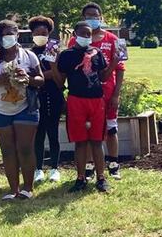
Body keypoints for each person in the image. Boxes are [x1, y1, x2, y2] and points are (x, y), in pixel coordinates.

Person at [0, 20, 44, 200]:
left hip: (26, 108)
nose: (8, 37)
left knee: (25, 148)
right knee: (7, 150)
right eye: (4, 35)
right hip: (0, 109)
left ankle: (27, 188)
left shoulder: (28, 56)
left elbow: (40, 80)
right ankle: (12, 189)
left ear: (17, 35)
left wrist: (28, 78)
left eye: (11, 34)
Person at [52, 21, 119, 193]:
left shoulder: (97, 53)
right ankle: (80, 177)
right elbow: (60, 81)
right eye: (82, 34)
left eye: (88, 34)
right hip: (76, 100)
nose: (86, 37)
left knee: (97, 141)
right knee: (80, 142)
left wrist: (113, 63)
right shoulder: (67, 55)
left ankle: (101, 178)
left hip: (96, 101)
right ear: (75, 35)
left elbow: (103, 77)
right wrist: (53, 65)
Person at [68, 3, 126, 180]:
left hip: (107, 92)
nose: (92, 19)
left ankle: (114, 164)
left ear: (101, 17)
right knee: (89, 132)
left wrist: (116, 94)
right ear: (83, 17)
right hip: (85, 95)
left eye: (95, 15)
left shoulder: (114, 39)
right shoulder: (75, 40)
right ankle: (89, 166)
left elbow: (121, 68)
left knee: (111, 128)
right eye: (88, 16)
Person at [29, 16, 65, 184]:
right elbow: (28, 75)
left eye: (44, 33)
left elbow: (59, 78)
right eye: (37, 33)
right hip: (35, 98)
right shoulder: (29, 53)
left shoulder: (55, 52)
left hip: (54, 96)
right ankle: (38, 169)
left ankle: (54, 168)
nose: (41, 35)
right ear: (32, 34)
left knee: (53, 133)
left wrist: (47, 71)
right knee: (38, 134)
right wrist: (43, 76)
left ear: (49, 34)